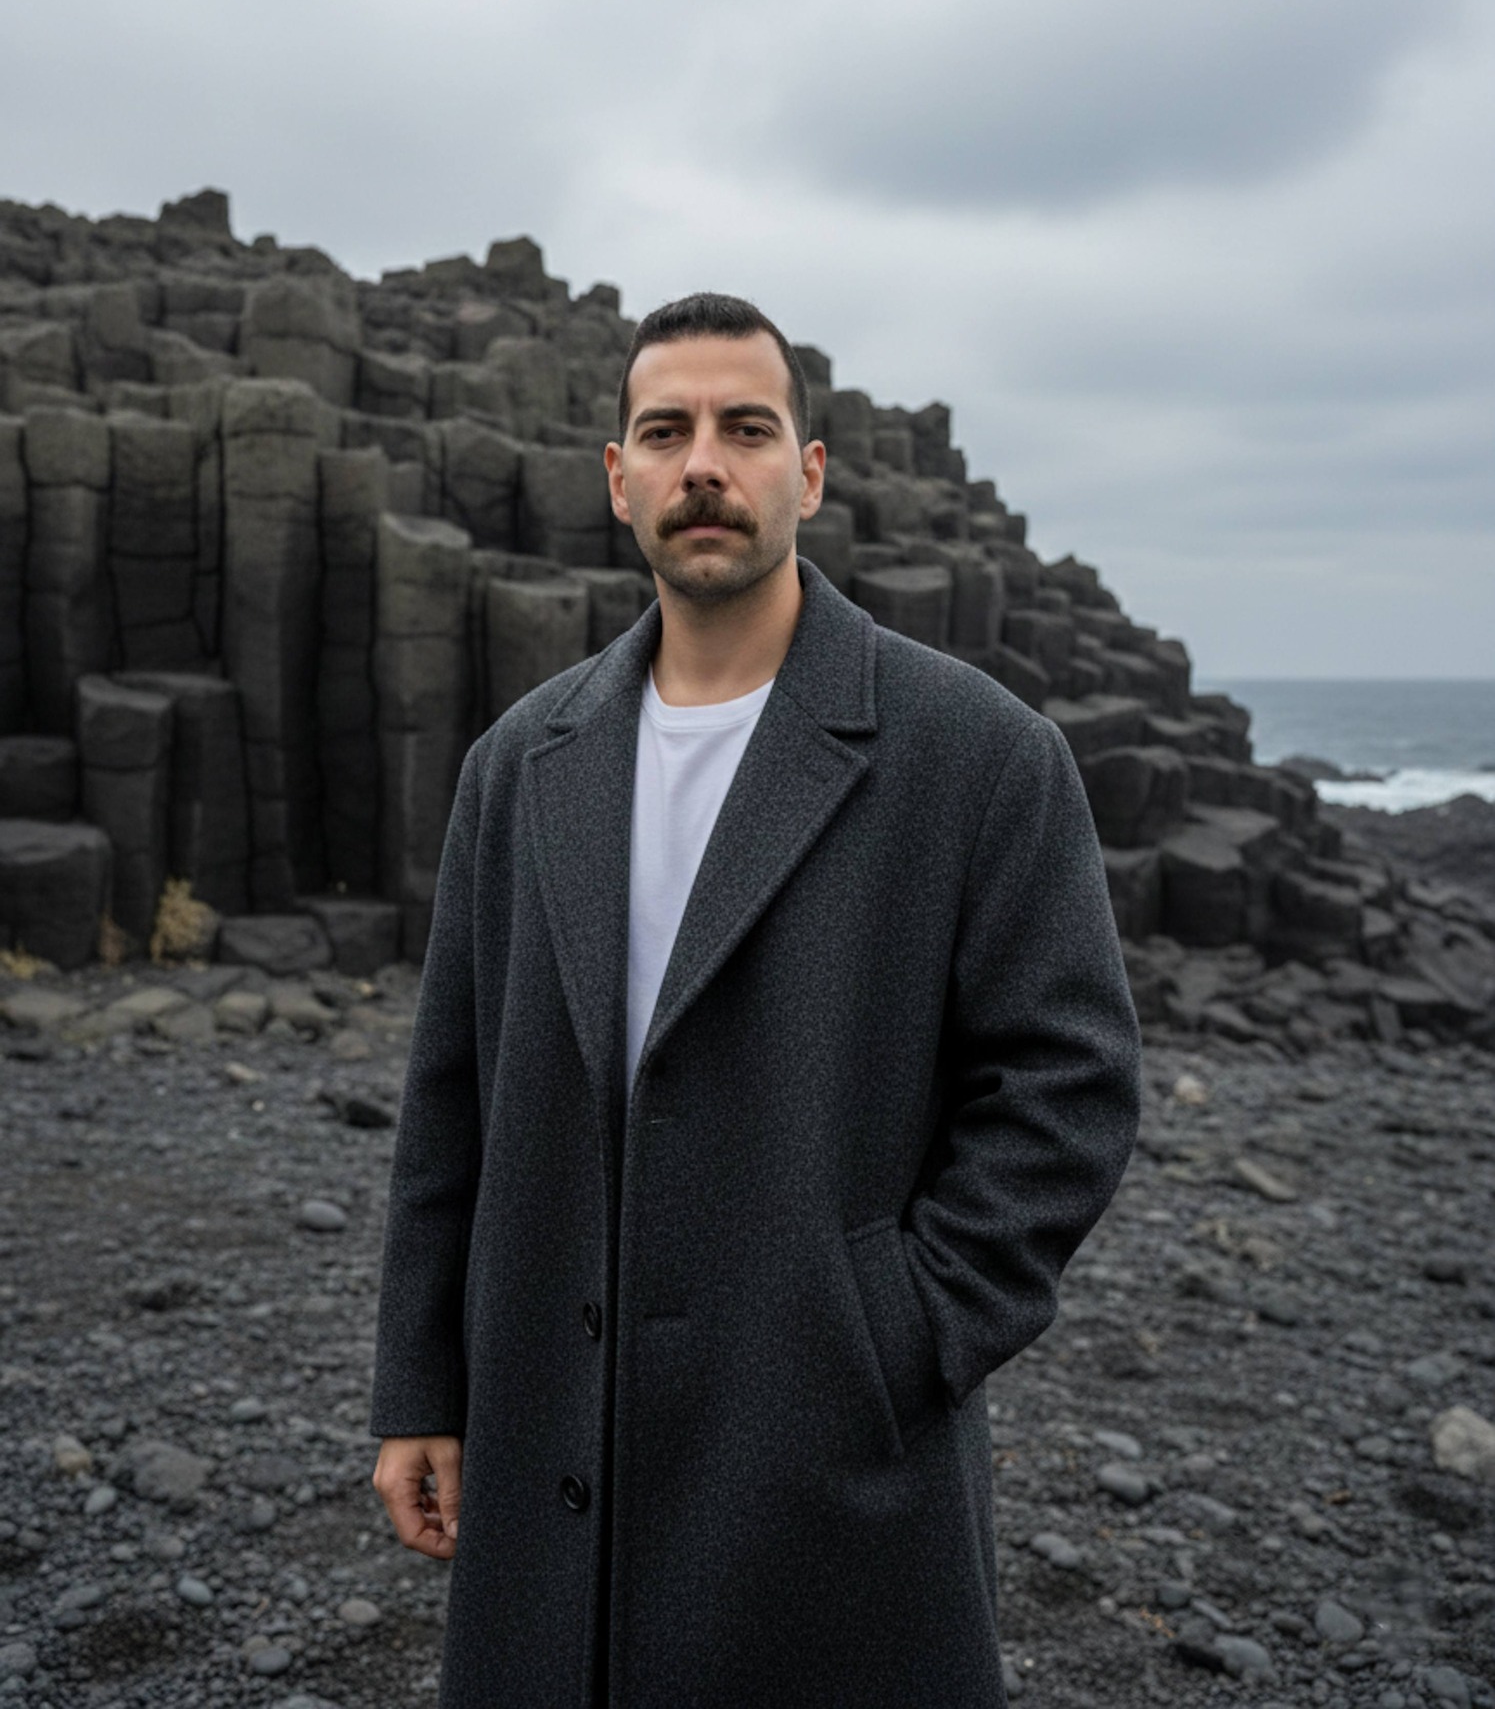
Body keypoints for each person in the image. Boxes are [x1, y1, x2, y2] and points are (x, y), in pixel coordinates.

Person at [369, 291, 1142, 1708]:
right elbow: (452, 1099)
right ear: (618, 479)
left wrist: (894, 1332)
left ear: (812, 471)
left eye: (746, 427)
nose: (703, 463)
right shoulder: (518, 761)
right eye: (664, 432)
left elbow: (1070, 1085)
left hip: (829, 1450)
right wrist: (421, 1387)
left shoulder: (977, 753)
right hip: (551, 1434)